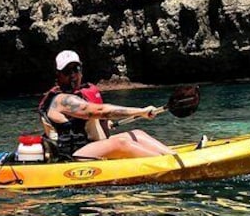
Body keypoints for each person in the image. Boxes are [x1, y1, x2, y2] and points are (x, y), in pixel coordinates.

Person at [38, 50, 175, 160]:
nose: (73, 75)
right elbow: (101, 111)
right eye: (67, 71)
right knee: (120, 143)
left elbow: (89, 120)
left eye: (76, 69)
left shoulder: (77, 95)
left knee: (136, 134)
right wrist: (140, 111)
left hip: (88, 146)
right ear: (58, 75)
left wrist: (104, 124)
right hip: (72, 156)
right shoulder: (62, 100)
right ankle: (168, 165)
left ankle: (174, 156)